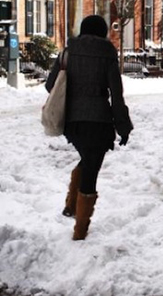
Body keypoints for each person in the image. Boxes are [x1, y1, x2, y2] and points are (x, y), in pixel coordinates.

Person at [45, 15, 133, 240]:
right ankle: (80, 231)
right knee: (91, 168)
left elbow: (50, 85)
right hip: (99, 121)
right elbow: (117, 95)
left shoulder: (67, 52)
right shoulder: (108, 54)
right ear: (103, 32)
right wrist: (123, 126)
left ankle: (71, 204)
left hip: (73, 122)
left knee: (88, 159)